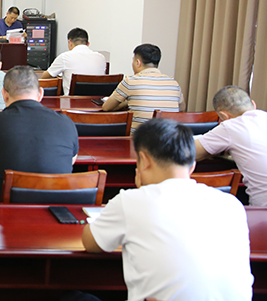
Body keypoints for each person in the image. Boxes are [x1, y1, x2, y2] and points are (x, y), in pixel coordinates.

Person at [83, 118, 253, 301]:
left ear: (143, 160)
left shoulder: (130, 201)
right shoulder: (231, 204)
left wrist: (140, 193)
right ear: (192, 166)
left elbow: (91, 243)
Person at [0, 65, 78, 202]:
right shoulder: (66, 122)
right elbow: (70, 161)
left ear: (4, 94)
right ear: (40, 93)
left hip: (2, 208)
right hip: (55, 208)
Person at [196, 85, 267, 206]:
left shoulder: (231, 126)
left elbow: (189, 152)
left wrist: (218, 149)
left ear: (224, 116)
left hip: (262, 212)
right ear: (253, 104)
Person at [102, 43, 184, 128]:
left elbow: (106, 107)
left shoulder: (130, 81)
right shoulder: (174, 83)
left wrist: (127, 102)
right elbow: (181, 108)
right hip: (169, 135)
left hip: (139, 135)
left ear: (138, 63)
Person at [40, 27, 106, 95]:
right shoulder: (101, 58)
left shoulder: (64, 57)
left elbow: (45, 77)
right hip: (96, 100)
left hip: (72, 100)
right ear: (88, 44)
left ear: (70, 42)